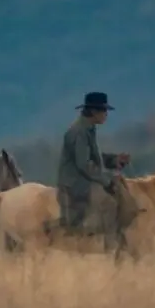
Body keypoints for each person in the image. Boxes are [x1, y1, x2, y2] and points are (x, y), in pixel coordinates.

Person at [56, 91, 136, 236]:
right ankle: (111, 245)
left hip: (83, 179)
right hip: (76, 183)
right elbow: (84, 164)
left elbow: (93, 158)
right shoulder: (79, 131)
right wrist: (107, 181)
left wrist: (114, 160)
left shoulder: (87, 128)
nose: (106, 114)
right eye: (104, 110)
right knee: (109, 203)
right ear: (94, 111)